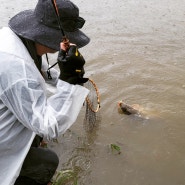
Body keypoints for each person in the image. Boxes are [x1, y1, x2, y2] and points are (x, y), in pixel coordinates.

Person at [0, 0, 90, 184]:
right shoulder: (17, 67)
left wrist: (67, 74)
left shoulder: (17, 40)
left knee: (35, 136)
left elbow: (43, 74)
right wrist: (70, 81)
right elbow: (50, 126)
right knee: (48, 161)